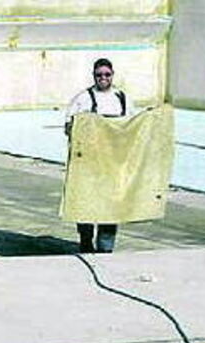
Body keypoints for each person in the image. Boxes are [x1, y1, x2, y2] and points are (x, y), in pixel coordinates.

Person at [64, 58, 134, 253]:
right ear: (93, 76)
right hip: (89, 164)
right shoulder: (82, 99)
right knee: (86, 202)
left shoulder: (122, 98)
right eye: (99, 75)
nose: (103, 78)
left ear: (113, 75)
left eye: (107, 74)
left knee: (110, 205)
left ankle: (105, 247)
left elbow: (131, 127)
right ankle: (86, 241)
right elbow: (69, 128)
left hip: (113, 164)